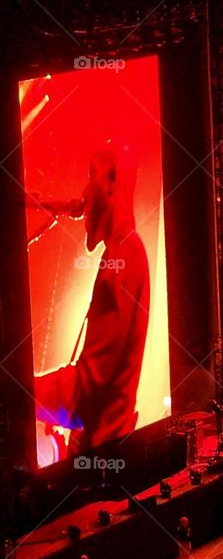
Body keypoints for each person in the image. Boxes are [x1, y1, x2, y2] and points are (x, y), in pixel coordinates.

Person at [34, 149, 150, 456]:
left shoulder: (123, 259)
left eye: (91, 176)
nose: (84, 192)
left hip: (101, 462)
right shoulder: (122, 255)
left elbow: (88, 391)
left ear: (111, 182)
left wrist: (19, 393)